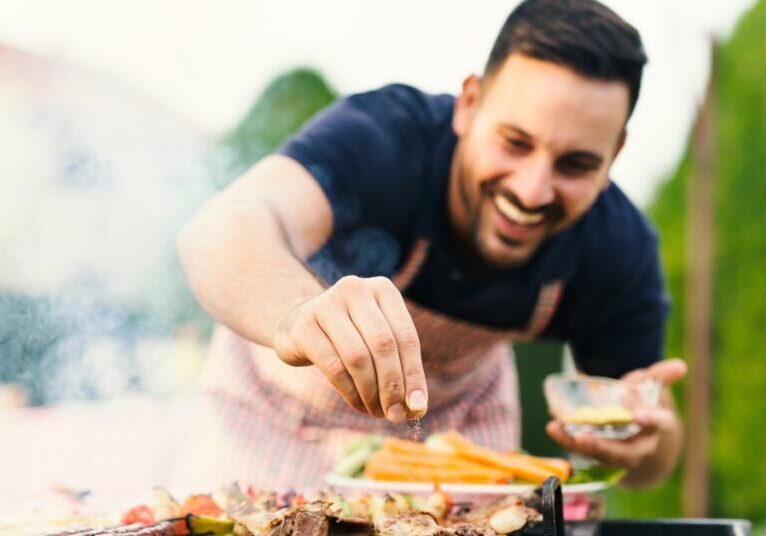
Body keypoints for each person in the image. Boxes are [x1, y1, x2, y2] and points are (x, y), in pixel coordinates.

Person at [179, 0, 686, 491]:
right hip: (275, 420)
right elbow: (222, 230)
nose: (532, 191)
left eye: (575, 164)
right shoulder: (386, 139)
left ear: (614, 154)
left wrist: (646, 444)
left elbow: (653, 462)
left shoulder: (617, 247)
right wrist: (296, 315)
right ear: (468, 105)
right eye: (514, 142)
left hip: (457, 437)